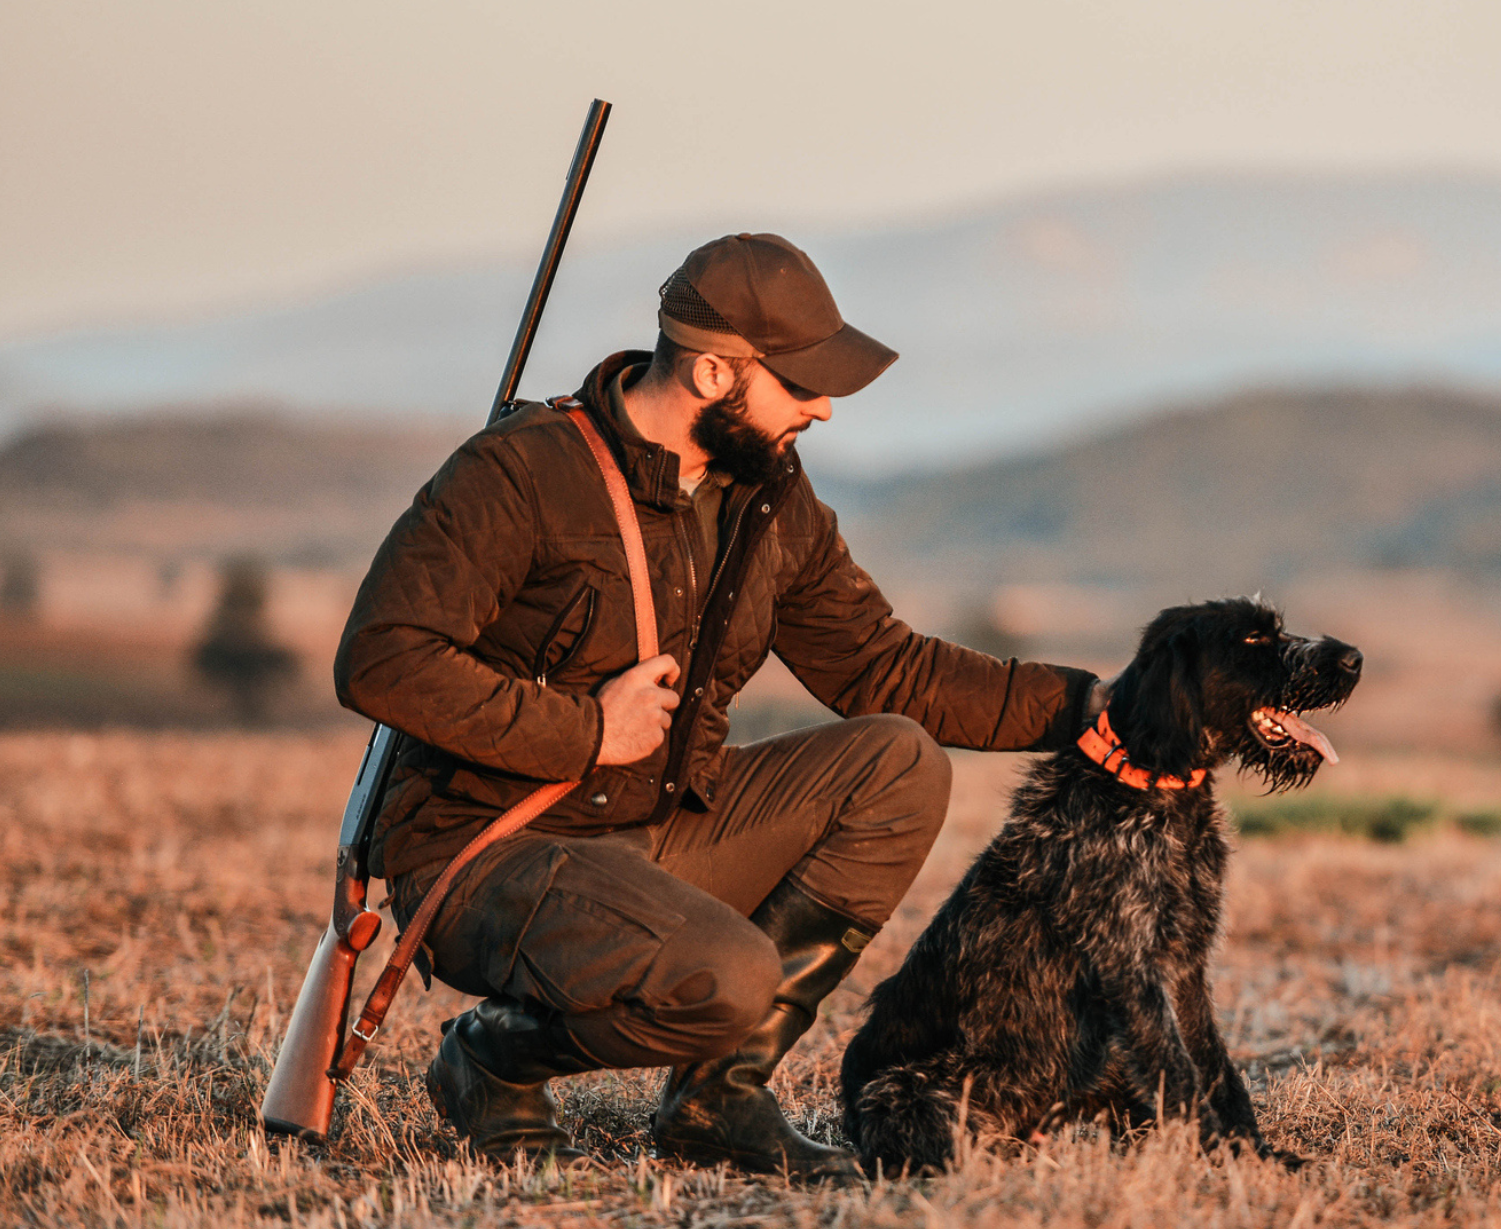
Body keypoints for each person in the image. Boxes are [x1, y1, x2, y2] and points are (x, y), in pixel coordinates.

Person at [334, 233, 1099, 1179]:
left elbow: (883, 667)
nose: (823, 407)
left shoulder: (767, 492)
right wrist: (587, 730)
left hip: (650, 825)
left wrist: (1094, 706)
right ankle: (492, 1058)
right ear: (711, 373)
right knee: (730, 979)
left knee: (897, 762)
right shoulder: (520, 472)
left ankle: (717, 1098)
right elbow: (382, 661)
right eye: (801, 382)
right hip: (489, 847)